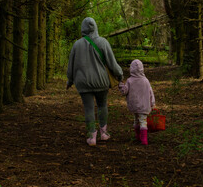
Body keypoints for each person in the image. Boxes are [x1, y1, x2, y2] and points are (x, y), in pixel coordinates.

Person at [66, 17, 123, 146]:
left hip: (83, 83)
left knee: (88, 108)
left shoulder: (77, 45)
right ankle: (103, 133)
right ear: (96, 27)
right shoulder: (103, 42)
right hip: (101, 82)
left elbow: (71, 65)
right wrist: (119, 75)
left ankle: (91, 137)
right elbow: (112, 63)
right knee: (102, 105)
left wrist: (69, 80)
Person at [118, 59, 155, 145]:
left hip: (134, 105)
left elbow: (124, 91)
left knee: (136, 120)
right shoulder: (146, 81)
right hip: (144, 105)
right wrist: (152, 103)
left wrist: (120, 85)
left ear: (131, 69)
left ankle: (138, 137)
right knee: (143, 121)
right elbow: (151, 92)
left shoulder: (129, 81)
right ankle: (144, 140)